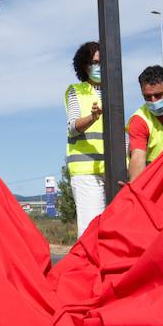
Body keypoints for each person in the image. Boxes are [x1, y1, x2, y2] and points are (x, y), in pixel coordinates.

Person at [64, 41, 106, 235]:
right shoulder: (76, 91)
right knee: (92, 233)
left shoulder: (113, 90)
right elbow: (73, 127)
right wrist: (93, 117)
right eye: (93, 63)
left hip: (115, 170)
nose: (98, 66)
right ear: (84, 66)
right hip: (88, 171)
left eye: (101, 61)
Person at [126, 65, 163, 181]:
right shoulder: (139, 120)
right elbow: (138, 157)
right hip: (154, 181)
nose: (153, 101)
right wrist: (134, 190)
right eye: (147, 97)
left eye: (158, 95)